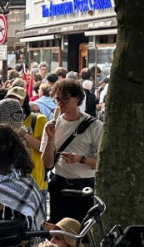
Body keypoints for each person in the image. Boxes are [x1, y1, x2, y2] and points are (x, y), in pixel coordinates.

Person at [41, 79, 101, 223]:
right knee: (59, 231)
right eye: (57, 100)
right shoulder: (52, 125)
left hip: (84, 186)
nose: (61, 104)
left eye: (65, 99)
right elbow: (47, 163)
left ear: (78, 99)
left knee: (83, 233)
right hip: (59, 183)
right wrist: (50, 139)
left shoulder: (94, 126)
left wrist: (80, 159)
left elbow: (103, 162)